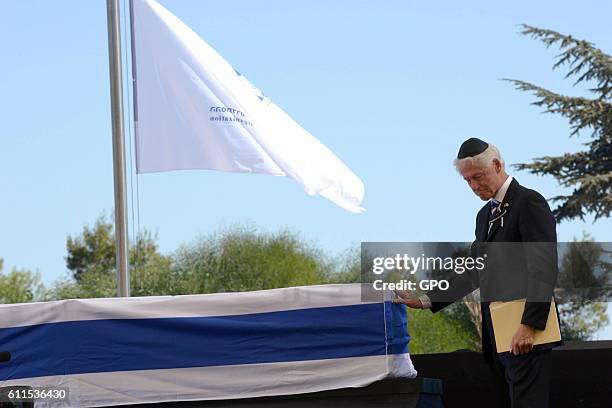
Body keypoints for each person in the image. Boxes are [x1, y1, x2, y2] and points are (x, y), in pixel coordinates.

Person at [395, 137, 560, 408]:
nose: (473, 186)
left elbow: (543, 267)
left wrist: (529, 325)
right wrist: (425, 299)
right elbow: (474, 271)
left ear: (496, 164)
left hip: (524, 333)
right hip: (497, 336)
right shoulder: (484, 215)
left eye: (478, 177)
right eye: (467, 181)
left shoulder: (529, 202)